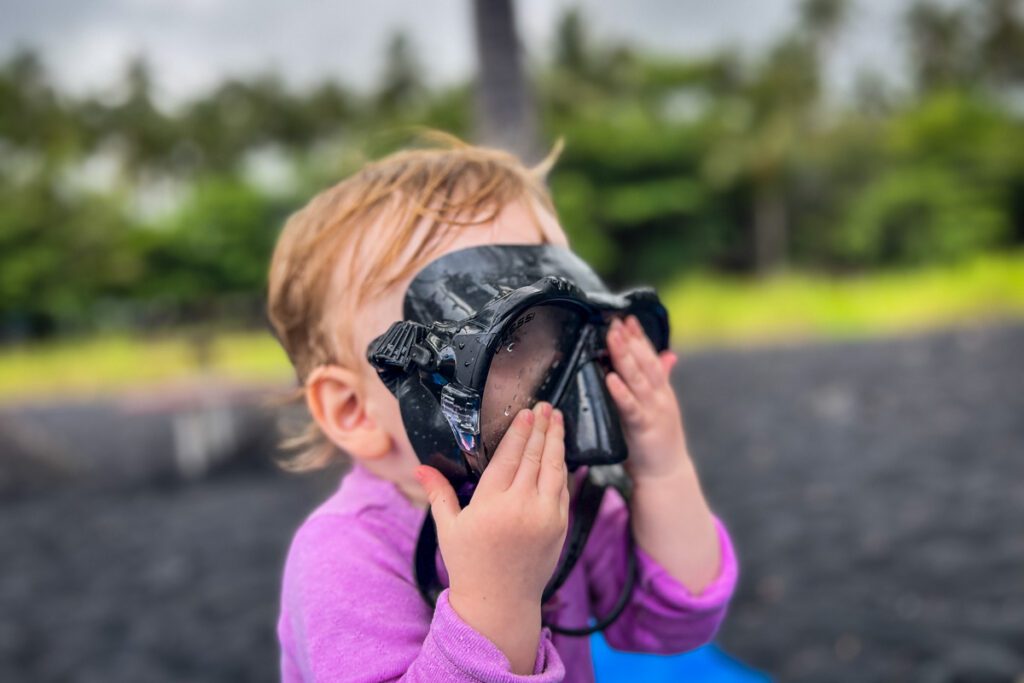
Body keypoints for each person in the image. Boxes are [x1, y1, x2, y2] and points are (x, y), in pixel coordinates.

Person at [266, 132, 738, 682]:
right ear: (354, 410)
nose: (572, 383)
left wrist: (663, 469)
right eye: (513, 340)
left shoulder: (565, 492)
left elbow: (675, 620)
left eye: (580, 333)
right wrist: (499, 596)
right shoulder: (344, 557)